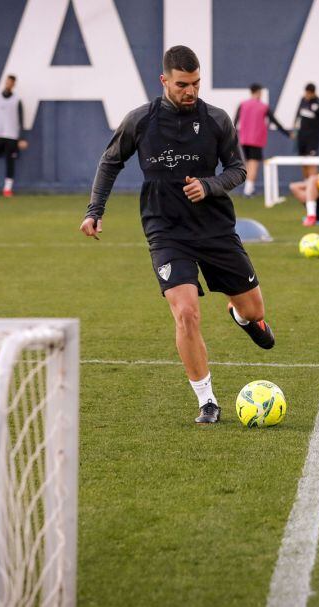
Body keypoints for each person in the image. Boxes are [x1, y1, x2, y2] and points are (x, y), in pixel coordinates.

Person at [81, 45, 274, 425]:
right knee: (186, 314)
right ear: (164, 80)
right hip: (166, 231)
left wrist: (209, 186)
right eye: (183, 84)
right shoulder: (141, 120)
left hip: (215, 229)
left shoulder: (217, 119)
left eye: (196, 83)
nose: (191, 91)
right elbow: (110, 161)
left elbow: (238, 170)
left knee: (255, 310)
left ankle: (241, 315)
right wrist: (94, 211)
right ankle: (207, 401)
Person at [234, 83, 290, 197]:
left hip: (244, 139)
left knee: (249, 163)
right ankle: (248, 190)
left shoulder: (243, 104)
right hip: (256, 140)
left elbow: (235, 121)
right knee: (253, 164)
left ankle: (249, 188)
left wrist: (232, 135)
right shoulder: (263, 106)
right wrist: (287, 133)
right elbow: (275, 121)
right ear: (259, 92)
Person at [293, 83, 319, 179]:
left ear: (313, 93)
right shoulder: (303, 100)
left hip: (312, 139)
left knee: (312, 163)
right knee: (303, 162)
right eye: (305, 93)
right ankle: (306, 184)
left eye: (308, 93)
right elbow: (297, 116)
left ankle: (314, 188)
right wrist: (294, 130)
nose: (306, 95)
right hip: (301, 137)